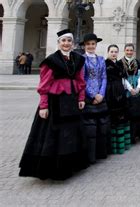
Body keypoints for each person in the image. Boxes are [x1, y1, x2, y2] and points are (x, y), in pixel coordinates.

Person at [19, 29, 89, 180]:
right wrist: (43, 106)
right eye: (63, 41)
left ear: (73, 43)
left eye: (69, 41)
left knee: (71, 134)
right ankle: (55, 169)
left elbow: (80, 81)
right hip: (54, 103)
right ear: (58, 43)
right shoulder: (51, 60)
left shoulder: (78, 59)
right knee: (54, 135)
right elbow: (43, 85)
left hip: (71, 102)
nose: (66, 43)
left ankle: (70, 166)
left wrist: (81, 98)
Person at [81, 33, 110, 163]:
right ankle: (90, 156)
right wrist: (93, 95)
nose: (91, 46)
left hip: (100, 96)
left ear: (96, 45)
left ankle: (101, 153)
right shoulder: (82, 60)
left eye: (93, 44)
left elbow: (104, 77)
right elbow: (82, 80)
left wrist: (101, 94)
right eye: (88, 44)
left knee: (102, 125)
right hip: (89, 97)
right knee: (90, 127)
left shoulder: (101, 59)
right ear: (84, 46)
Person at [105, 44, 131, 154]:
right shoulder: (105, 63)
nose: (114, 53)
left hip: (120, 90)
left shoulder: (120, 63)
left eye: (116, 52)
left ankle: (122, 145)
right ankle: (113, 147)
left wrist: (129, 88)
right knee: (113, 118)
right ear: (108, 52)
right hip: (110, 91)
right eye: (112, 51)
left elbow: (124, 78)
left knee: (122, 117)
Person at [120, 43, 140, 143]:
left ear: (133, 51)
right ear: (124, 51)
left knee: (139, 113)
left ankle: (139, 134)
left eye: (131, 50)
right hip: (128, 91)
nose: (129, 52)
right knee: (129, 115)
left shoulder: (137, 62)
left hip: (138, 91)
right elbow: (122, 78)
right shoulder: (120, 63)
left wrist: (138, 88)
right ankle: (130, 137)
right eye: (127, 50)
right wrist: (130, 89)